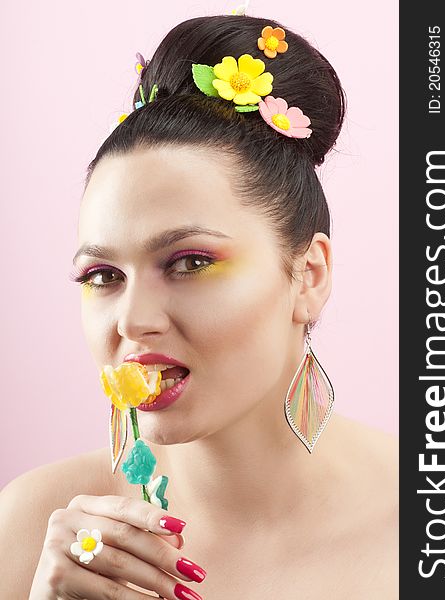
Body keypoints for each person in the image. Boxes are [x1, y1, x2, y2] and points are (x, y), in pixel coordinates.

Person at [0, 14, 398, 600]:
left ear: (308, 276)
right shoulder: (33, 527)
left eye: (190, 263)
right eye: (103, 275)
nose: (133, 321)